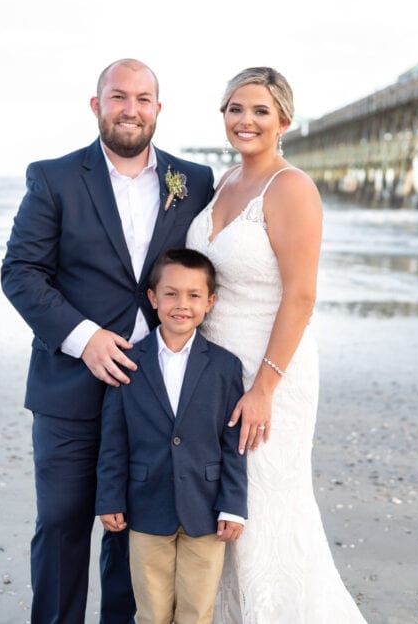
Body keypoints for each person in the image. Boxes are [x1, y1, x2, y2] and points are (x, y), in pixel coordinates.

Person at [2, 59, 216, 624]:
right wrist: (84, 338)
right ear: (96, 105)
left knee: (135, 533)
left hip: (155, 393)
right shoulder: (54, 178)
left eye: (143, 99)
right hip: (69, 385)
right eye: (118, 97)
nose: (131, 109)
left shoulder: (192, 181)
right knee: (63, 522)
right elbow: (20, 271)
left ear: (158, 110)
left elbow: (209, 275)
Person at [185, 67, 369, 622]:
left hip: (271, 372)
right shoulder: (223, 181)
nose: (246, 120)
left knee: (266, 511)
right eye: (236, 108)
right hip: (214, 370)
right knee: (226, 513)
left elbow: (301, 296)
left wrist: (264, 388)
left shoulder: (291, 188)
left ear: (283, 120)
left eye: (260, 111)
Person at [96, 248, 247, 624]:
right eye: (171, 294)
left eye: (194, 295)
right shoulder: (128, 360)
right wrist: (109, 497)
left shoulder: (225, 366)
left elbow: (234, 444)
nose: (182, 305)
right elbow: (114, 439)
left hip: (206, 510)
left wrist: (233, 505)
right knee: (151, 611)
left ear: (210, 302)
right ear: (152, 298)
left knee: (196, 611)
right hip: (146, 507)